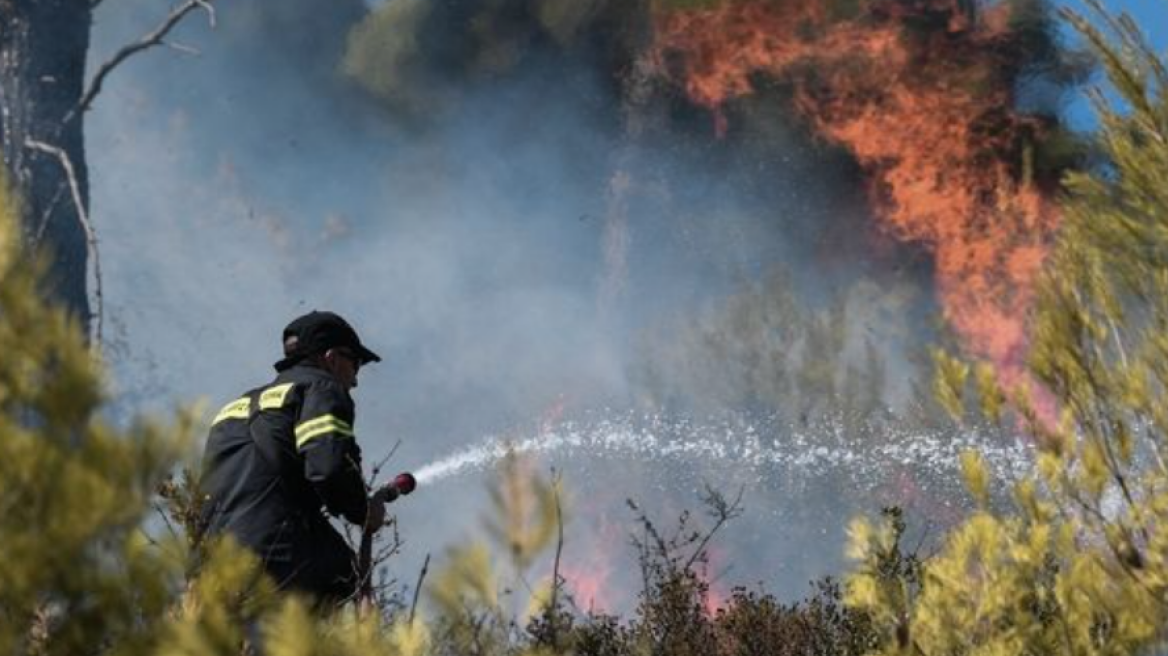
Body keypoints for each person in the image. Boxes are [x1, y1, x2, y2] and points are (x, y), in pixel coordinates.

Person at [199, 310, 385, 606]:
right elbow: (328, 467)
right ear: (332, 358)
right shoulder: (322, 388)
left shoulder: (236, 405)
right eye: (356, 363)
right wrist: (364, 510)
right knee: (346, 575)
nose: (355, 381)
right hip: (278, 558)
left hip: (210, 565)